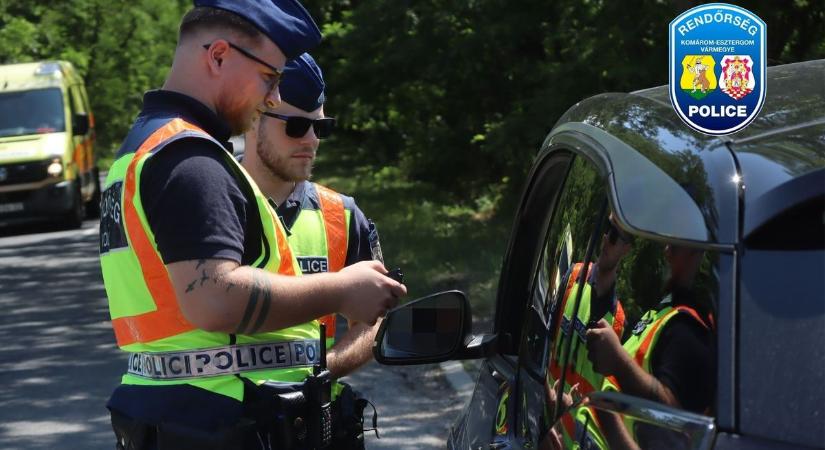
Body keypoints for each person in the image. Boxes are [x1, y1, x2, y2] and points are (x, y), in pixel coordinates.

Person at [98, 2, 405, 449]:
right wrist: (340, 290)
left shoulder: (143, 149)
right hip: (221, 420)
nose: (273, 98)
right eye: (269, 78)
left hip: (177, 417)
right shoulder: (191, 158)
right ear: (219, 55)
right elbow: (213, 298)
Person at [242, 52, 381, 380]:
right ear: (252, 119)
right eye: (296, 126)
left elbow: (372, 323)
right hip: (217, 407)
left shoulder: (342, 214)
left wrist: (323, 370)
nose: (311, 140)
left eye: (320, 127)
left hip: (310, 409)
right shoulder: (209, 202)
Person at [585, 244, 715, 448]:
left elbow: (673, 427)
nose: (666, 250)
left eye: (676, 244)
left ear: (697, 254)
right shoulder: (664, 314)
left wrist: (619, 363)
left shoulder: (688, 330)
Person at [541, 214, 632, 449]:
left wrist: (574, 408)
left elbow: (608, 405)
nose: (606, 238)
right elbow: (541, 344)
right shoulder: (573, 277)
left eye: (615, 235)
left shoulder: (618, 323)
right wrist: (546, 396)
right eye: (606, 228)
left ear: (627, 249)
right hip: (543, 428)